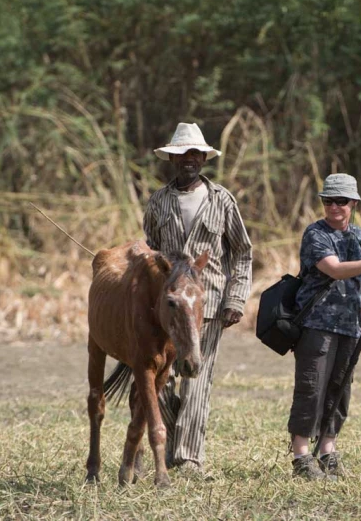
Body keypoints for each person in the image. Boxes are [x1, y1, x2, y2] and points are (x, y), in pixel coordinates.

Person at [145, 122, 253, 472]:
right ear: (173, 159)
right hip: (168, 308)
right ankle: (169, 445)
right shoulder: (159, 201)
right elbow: (149, 250)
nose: (189, 160)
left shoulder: (221, 200)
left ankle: (188, 458)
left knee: (197, 379)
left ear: (203, 159)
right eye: (182, 155)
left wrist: (236, 299)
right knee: (161, 379)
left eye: (195, 154)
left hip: (208, 305)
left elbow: (242, 252)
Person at [288, 173, 361, 480]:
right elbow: (335, 270)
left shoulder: (358, 237)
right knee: (311, 388)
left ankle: (327, 450)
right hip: (316, 324)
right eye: (328, 201)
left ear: (353, 203)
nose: (334, 207)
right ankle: (301, 456)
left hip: (349, 326)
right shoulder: (316, 234)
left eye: (341, 201)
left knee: (339, 388)